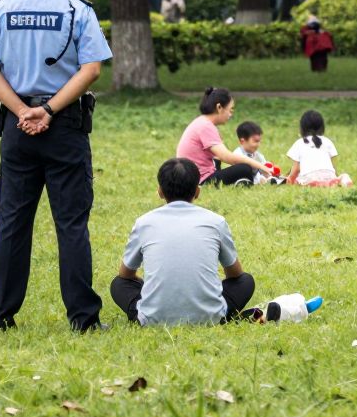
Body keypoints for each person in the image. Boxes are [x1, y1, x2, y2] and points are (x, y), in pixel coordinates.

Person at [0, 0, 112, 332]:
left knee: (12, 222)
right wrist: (48, 109)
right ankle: (83, 320)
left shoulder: (2, 9)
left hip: (17, 130)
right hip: (65, 126)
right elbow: (92, 69)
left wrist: (20, 110)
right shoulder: (77, 10)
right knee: (71, 223)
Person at [110, 158, 286, 325]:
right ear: (197, 191)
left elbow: (125, 275)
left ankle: (149, 311)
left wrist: (148, 287)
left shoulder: (144, 223)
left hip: (152, 319)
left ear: (160, 192)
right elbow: (235, 274)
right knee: (246, 281)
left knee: (118, 284)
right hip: (212, 316)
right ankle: (215, 311)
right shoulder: (216, 221)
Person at [176, 87, 277, 187]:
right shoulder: (206, 126)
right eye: (230, 110)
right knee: (245, 168)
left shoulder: (202, 122)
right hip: (200, 180)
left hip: (194, 177)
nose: (231, 114)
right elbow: (228, 157)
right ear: (219, 107)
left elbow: (219, 157)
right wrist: (261, 166)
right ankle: (245, 182)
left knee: (235, 167)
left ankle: (242, 181)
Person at [286, 109, 352, 187]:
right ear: (322, 127)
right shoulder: (327, 141)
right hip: (329, 176)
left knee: (298, 179)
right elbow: (332, 166)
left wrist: (289, 179)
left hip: (308, 178)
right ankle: (342, 182)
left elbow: (296, 169)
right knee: (344, 175)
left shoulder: (299, 143)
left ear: (302, 128)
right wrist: (334, 176)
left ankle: (315, 183)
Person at [232, 121, 284, 185]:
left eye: (259, 141)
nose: (258, 144)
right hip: (242, 177)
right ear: (242, 141)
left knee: (264, 175)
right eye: (255, 141)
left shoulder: (258, 155)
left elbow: (264, 168)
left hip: (257, 177)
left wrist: (270, 171)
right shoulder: (237, 153)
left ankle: (273, 180)